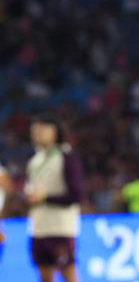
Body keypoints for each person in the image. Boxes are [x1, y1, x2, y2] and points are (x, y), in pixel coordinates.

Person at [25, 114, 84, 282]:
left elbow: (77, 194)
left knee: (68, 274)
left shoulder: (66, 156)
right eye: (34, 130)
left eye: (41, 128)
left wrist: (45, 198)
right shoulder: (35, 160)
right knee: (44, 277)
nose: (36, 133)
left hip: (60, 228)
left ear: (54, 130)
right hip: (37, 228)